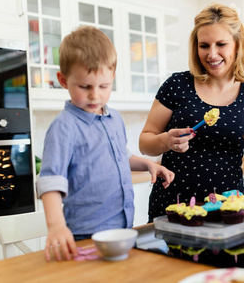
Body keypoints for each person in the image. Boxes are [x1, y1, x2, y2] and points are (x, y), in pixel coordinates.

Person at [36, 26, 175, 261]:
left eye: (103, 86)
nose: (95, 96)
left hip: (122, 227)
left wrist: (148, 165)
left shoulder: (114, 119)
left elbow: (122, 155)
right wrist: (56, 226)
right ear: (63, 80)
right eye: (85, 87)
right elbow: (50, 182)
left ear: (112, 78)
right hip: (85, 233)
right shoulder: (64, 126)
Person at [139, 3, 244, 222]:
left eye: (221, 44)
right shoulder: (177, 84)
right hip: (172, 204)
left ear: (237, 44)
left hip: (228, 208)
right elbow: (144, 143)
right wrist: (167, 141)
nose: (212, 54)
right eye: (204, 45)